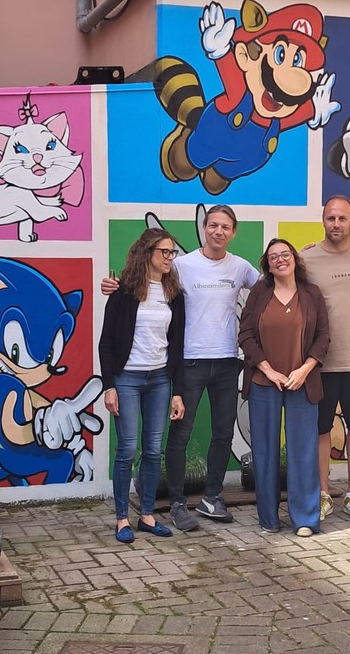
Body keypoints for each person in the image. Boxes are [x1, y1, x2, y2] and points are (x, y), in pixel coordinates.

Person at [102, 205, 259, 531]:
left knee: (222, 433)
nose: (218, 231)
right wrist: (113, 285)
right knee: (177, 436)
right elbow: (142, 281)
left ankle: (212, 497)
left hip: (227, 361)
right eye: (213, 225)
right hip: (188, 362)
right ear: (204, 228)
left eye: (225, 226)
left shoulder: (241, 267)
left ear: (234, 232)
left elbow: (270, 288)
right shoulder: (180, 266)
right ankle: (175, 503)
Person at [99, 228, 185, 543]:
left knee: (152, 449)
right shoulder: (123, 292)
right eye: (164, 251)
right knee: (126, 449)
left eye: (172, 252)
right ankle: (122, 518)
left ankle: (147, 515)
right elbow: (106, 342)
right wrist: (109, 386)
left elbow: (178, 345)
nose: (170, 257)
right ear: (147, 253)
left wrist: (177, 391)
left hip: (160, 379)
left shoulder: (174, 294)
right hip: (127, 379)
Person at [300, 196, 350, 523]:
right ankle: (323, 494)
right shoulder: (306, 258)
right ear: (323, 220)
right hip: (319, 363)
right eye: (331, 218)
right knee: (321, 429)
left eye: (342, 218)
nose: (336, 224)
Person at [239, 239, 329, 536]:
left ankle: (305, 519)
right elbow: (246, 335)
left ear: (294, 258)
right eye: (273, 257)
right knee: (264, 452)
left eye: (285, 254)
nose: (280, 260)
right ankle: (269, 518)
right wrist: (267, 369)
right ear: (267, 264)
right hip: (264, 382)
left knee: (303, 452)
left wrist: (305, 370)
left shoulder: (312, 293)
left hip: (302, 382)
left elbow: (323, 336)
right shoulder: (259, 293)